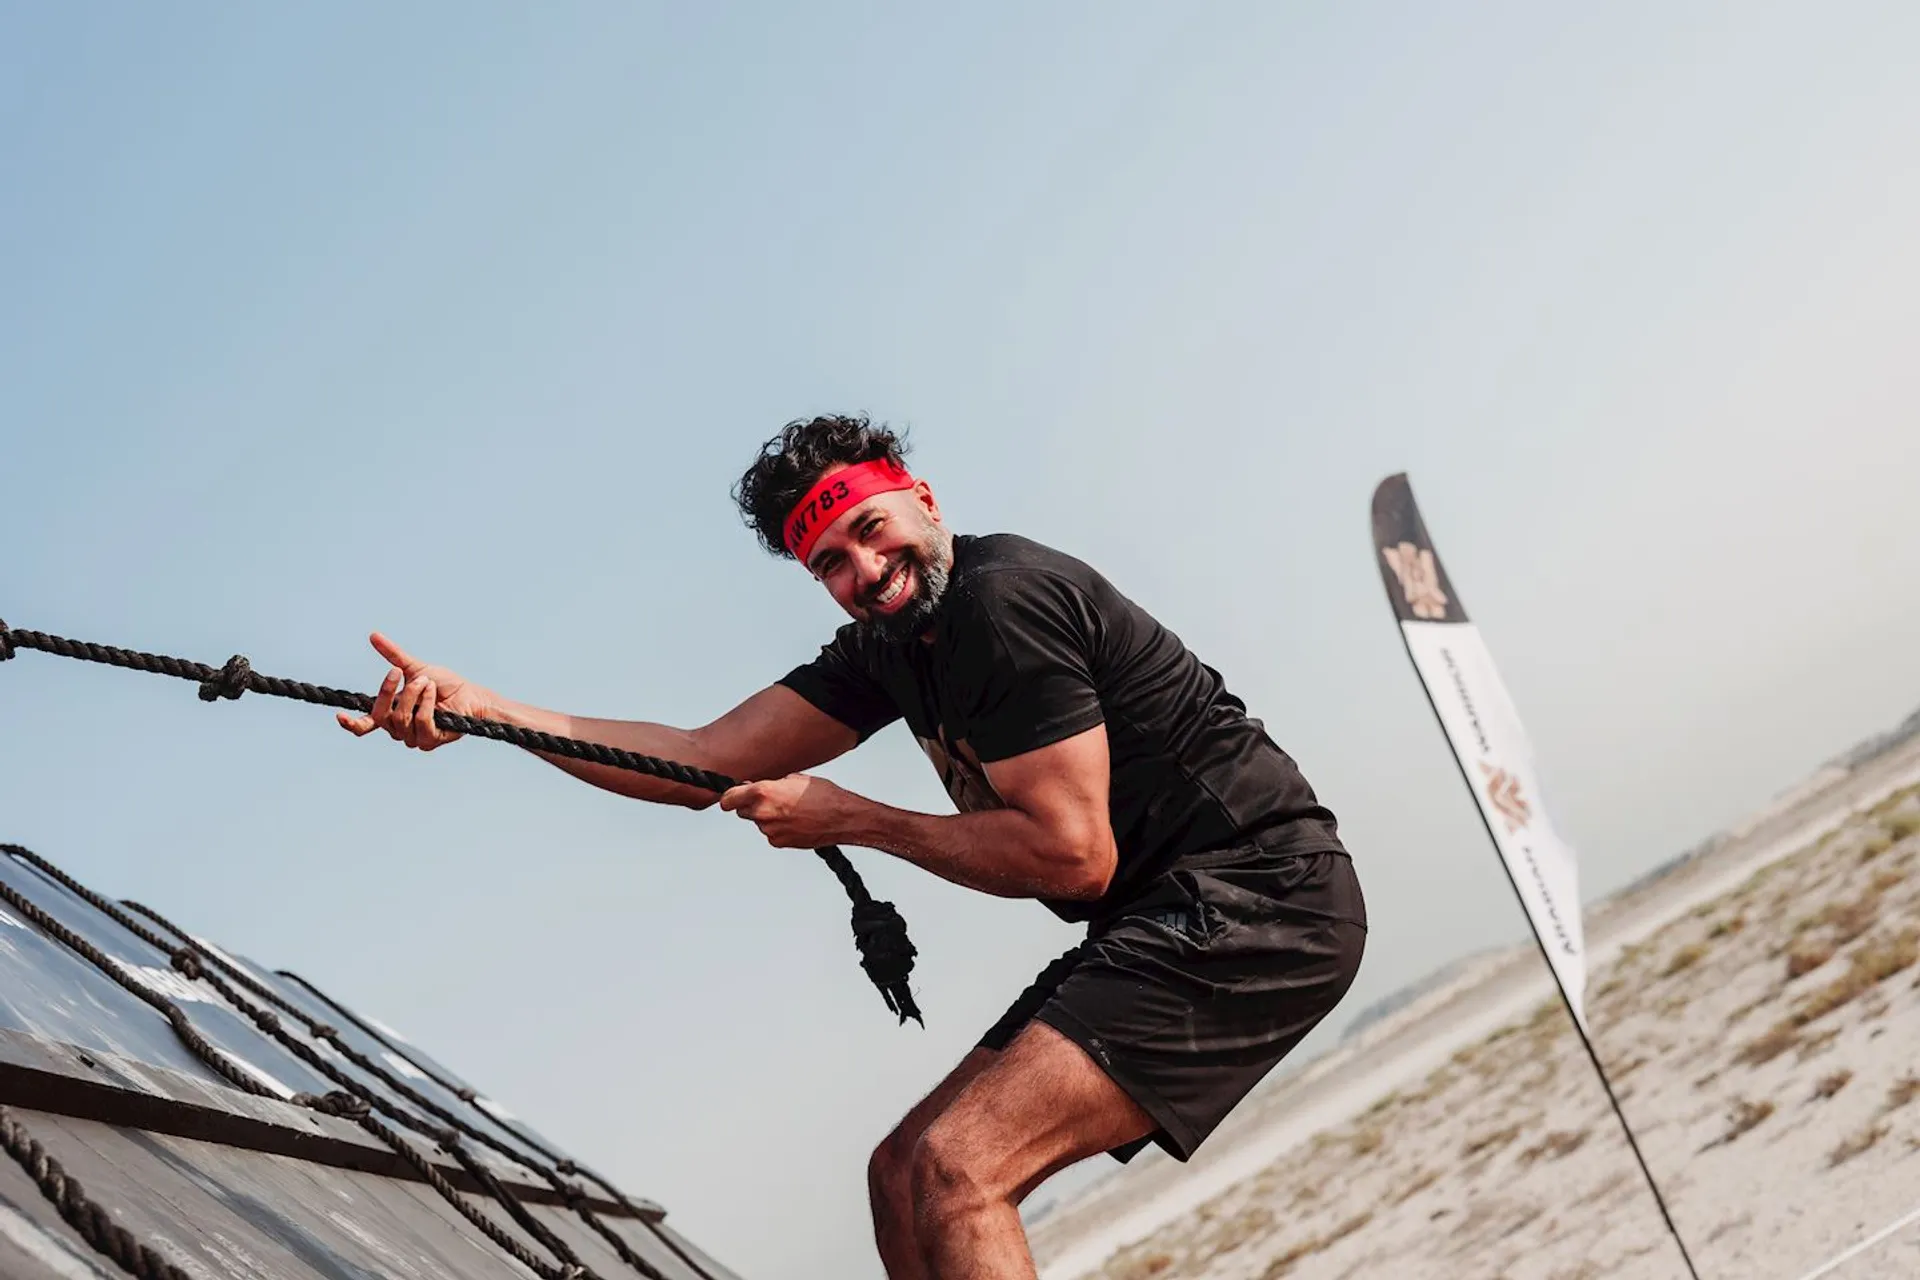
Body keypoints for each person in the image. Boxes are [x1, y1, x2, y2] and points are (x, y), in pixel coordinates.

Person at [339, 414, 1367, 1279]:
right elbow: (700, 758)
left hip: (1259, 895)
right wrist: (487, 712)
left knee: (960, 1170)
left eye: (874, 530)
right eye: (830, 560)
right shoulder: (888, 646)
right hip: (1160, 913)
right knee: (899, 1173)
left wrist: (857, 818)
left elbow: (1071, 856)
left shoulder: (998, 605)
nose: (867, 570)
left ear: (921, 497)